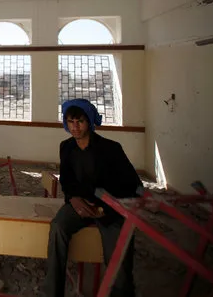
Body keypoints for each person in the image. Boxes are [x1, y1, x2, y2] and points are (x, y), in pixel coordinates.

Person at [42, 99, 142, 297]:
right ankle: (52, 292)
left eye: (80, 121)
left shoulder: (111, 148)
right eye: (70, 122)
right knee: (57, 228)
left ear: (89, 121)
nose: (75, 127)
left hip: (110, 208)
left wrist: (107, 203)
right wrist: (73, 199)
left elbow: (132, 183)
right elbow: (67, 180)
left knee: (120, 252)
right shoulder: (66, 147)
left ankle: (121, 293)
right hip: (80, 204)